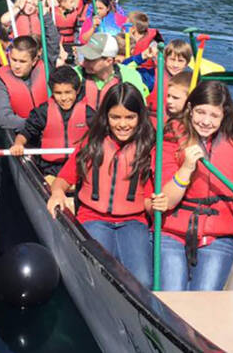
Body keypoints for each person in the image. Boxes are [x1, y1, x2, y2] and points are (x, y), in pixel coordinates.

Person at [150, 81, 233, 291]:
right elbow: (167, 200)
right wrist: (186, 168)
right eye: (200, 112)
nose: (206, 121)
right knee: (172, 295)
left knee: (204, 295)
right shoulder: (171, 136)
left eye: (214, 115)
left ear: (224, 115)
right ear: (189, 110)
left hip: (218, 236)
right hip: (172, 232)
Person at [47, 83, 155, 288]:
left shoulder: (148, 149)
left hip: (133, 221)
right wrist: (57, 192)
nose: (123, 124)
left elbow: (149, 198)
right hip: (93, 218)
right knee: (100, 274)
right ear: (106, 117)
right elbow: (63, 179)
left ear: (140, 118)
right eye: (116, 117)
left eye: (130, 117)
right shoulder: (92, 144)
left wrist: (158, 205)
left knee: (143, 281)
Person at [9, 65, 94, 179]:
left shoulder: (89, 113)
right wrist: (18, 144)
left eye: (68, 92)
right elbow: (26, 132)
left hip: (80, 169)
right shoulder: (43, 112)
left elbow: (100, 137)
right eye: (58, 93)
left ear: (77, 90)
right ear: (52, 92)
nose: (63, 98)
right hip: (50, 170)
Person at [75, 33, 149, 109]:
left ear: (108, 61)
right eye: (85, 58)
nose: (83, 63)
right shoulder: (76, 73)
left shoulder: (130, 76)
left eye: (90, 59)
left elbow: (140, 108)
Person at [0, 35, 49, 131]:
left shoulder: (47, 71)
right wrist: (35, 124)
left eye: (22, 61)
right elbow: (3, 118)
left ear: (34, 61)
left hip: (50, 131)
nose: (17, 66)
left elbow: (52, 43)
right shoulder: (2, 84)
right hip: (23, 135)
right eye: (14, 60)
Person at [147, 39, 193, 115]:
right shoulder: (152, 75)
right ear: (165, 59)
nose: (175, 65)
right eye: (172, 59)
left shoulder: (189, 81)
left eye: (180, 61)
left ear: (187, 63)